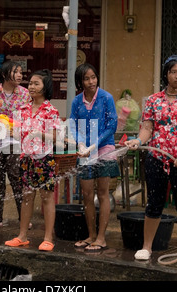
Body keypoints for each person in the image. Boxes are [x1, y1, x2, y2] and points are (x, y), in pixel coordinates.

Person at [124, 55, 177, 269]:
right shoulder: (153, 100)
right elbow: (147, 128)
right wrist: (138, 141)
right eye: (173, 72)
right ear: (166, 74)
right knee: (154, 203)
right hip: (157, 159)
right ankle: (147, 247)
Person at [5, 69, 61, 252]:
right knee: (27, 198)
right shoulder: (22, 109)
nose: (31, 86)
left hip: (44, 159)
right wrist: (11, 132)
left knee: (47, 198)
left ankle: (48, 238)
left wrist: (40, 134)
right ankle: (22, 236)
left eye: (36, 83)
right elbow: (17, 133)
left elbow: (56, 136)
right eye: (30, 83)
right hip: (26, 159)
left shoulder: (50, 110)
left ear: (46, 87)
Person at [69, 63, 119, 253]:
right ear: (80, 82)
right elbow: (73, 125)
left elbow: (111, 126)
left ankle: (101, 238)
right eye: (86, 79)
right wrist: (81, 144)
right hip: (84, 152)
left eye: (93, 77)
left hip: (104, 149)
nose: (91, 82)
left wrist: (94, 145)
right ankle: (90, 235)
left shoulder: (106, 98)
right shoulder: (77, 101)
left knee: (103, 193)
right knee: (87, 194)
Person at [0, 60, 31, 229]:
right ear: (5, 74)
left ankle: (23, 216)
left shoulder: (25, 94)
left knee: (16, 178)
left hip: (16, 143)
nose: (20, 75)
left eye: (21, 72)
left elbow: (28, 116)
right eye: (16, 72)